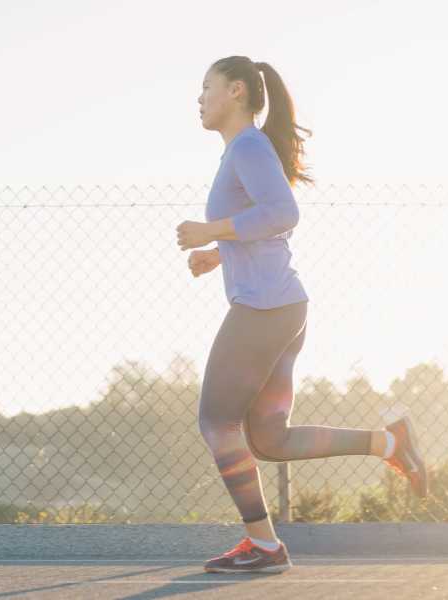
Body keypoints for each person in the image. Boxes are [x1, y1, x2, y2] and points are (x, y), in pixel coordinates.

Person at [176, 55, 428, 575]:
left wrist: (211, 231)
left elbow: (284, 213)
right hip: (282, 306)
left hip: (265, 309)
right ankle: (390, 442)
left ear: (238, 92)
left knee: (216, 420)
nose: (199, 98)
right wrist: (218, 254)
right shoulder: (242, 151)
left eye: (207, 87)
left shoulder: (247, 145)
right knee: (268, 439)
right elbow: (268, 225)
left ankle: (265, 547)